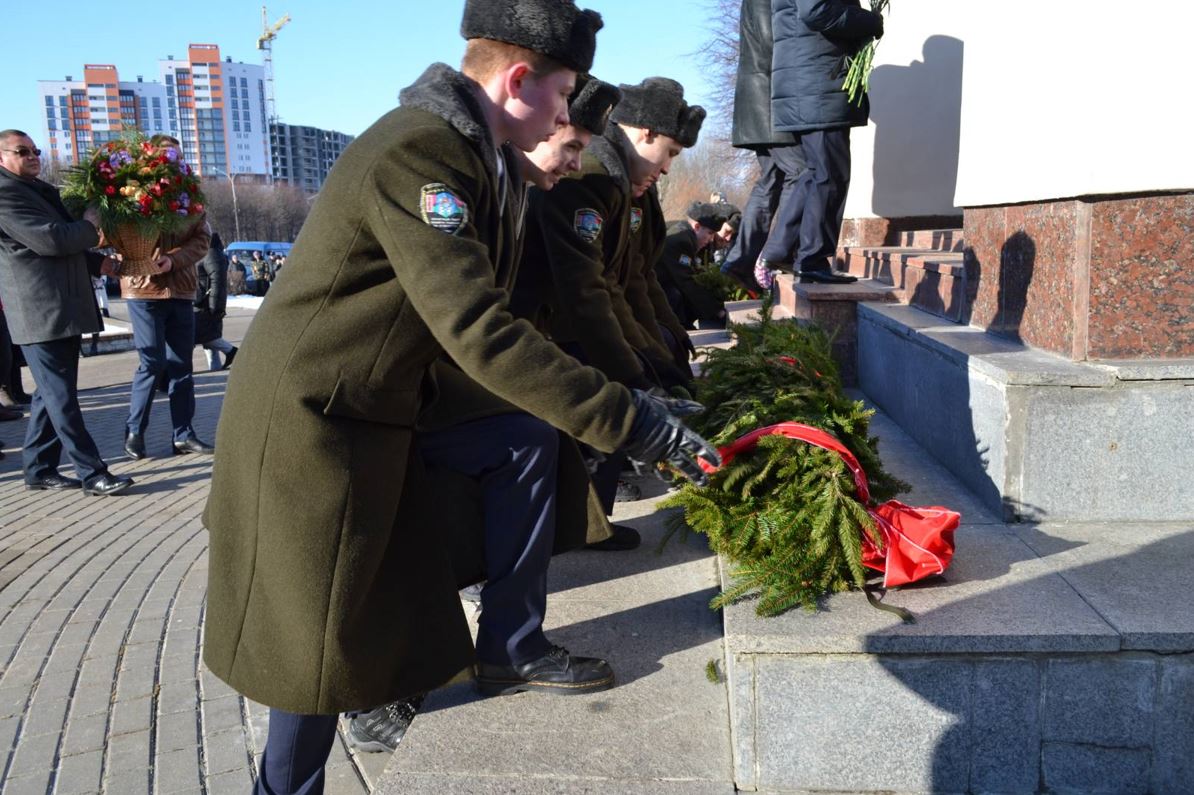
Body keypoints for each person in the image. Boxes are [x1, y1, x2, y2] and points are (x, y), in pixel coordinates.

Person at [200, 3, 719, 792]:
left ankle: (503, 647)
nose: (566, 111)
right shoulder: (423, 153)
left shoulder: (478, 157)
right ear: (518, 81)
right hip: (317, 422)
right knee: (310, 643)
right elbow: (481, 329)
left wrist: (639, 400)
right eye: (563, 91)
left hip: (388, 407)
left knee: (520, 442)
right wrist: (638, 422)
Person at [513, 76, 705, 546]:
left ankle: (587, 524)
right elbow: (587, 290)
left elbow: (632, 277)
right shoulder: (592, 176)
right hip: (540, 326)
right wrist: (639, 373)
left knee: (625, 388)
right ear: (643, 133)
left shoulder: (621, 178)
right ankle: (577, 527)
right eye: (672, 153)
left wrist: (663, 348)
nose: (667, 169)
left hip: (560, 322)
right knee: (600, 405)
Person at [0, 129, 133, 495]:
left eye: (34, 150)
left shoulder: (36, 190)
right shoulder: (5, 194)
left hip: (62, 306)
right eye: (21, 151)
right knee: (60, 397)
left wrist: (98, 264)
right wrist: (91, 226)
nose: (32, 156)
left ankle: (39, 468)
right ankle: (93, 473)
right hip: (40, 311)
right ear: (2, 158)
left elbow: (61, 242)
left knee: (50, 395)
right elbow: (51, 240)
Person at [760, 0, 883, 284]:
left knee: (816, 173)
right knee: (830, 175)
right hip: (816, 85)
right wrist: (869, 21)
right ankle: (811, 258)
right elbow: (816, 10)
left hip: (810, 83)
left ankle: (783, 248)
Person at [119, 135, 214, 460]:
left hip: (181, 288)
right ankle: (134, 431)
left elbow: (203, 238)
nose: (170, 163)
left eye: (175, 157)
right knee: (152, 362)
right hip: (143, 287)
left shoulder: (191, 197)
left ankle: (183, 435)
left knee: (182, 365)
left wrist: (174, 259)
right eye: (163, 158)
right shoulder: (131, 192)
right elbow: (117, 234)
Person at [657, 202, 730, 328]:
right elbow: (687, 281)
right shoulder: (681, 241)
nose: (711, 239)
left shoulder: (683, 231)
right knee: (675, 295)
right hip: (650, 293)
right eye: (710, 233)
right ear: (697, 226)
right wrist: (717, 311)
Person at [194, 231, 237, 371]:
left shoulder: (211, 254)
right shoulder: (206, 253)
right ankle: (216, 369)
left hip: (206, 305)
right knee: (208, 339)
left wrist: (214, 308)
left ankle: (233, 353)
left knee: (206, 338)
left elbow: (217, 283)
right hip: (204, 303)